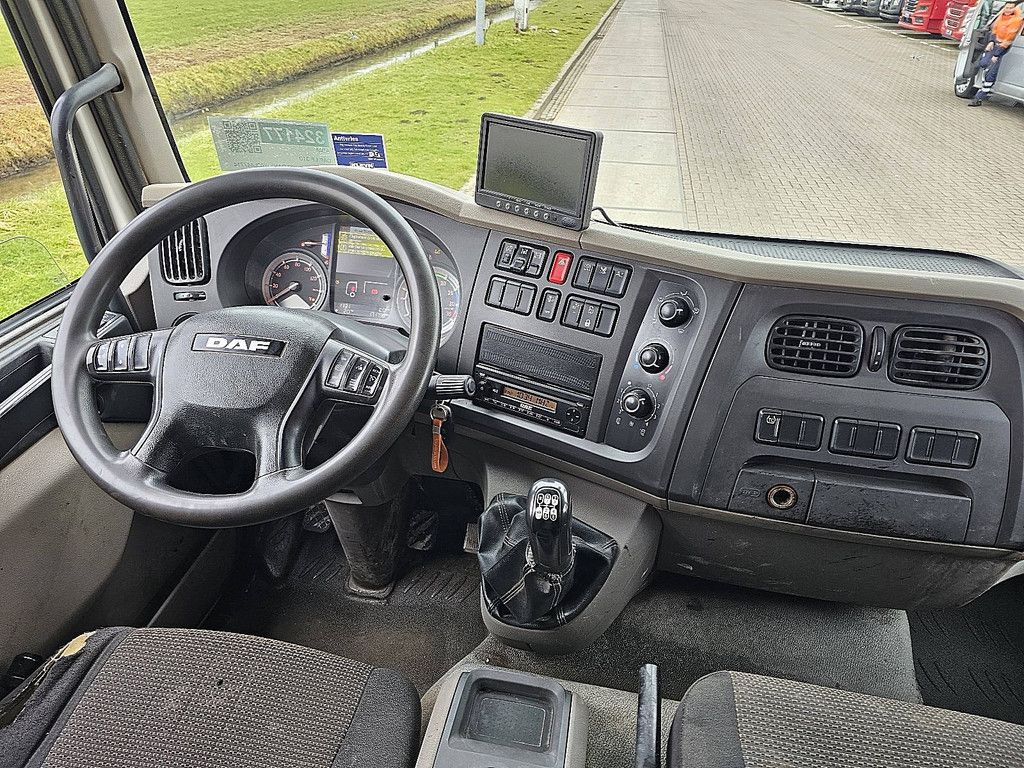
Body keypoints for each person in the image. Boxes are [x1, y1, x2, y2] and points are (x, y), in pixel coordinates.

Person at [969, 0, 1024, 106]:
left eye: (1010, 8)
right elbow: (994, 30)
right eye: (1007, 8)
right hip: (995, 45)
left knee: (991, 73)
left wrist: (996, 54)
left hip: (1002, 49)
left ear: (1014, 9)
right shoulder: (1001, 18)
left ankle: (979, 97)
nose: (1008, 10)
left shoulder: (1016, 21)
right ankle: (985, 88)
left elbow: (1008, 40)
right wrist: (991, 41)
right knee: (983, 63)